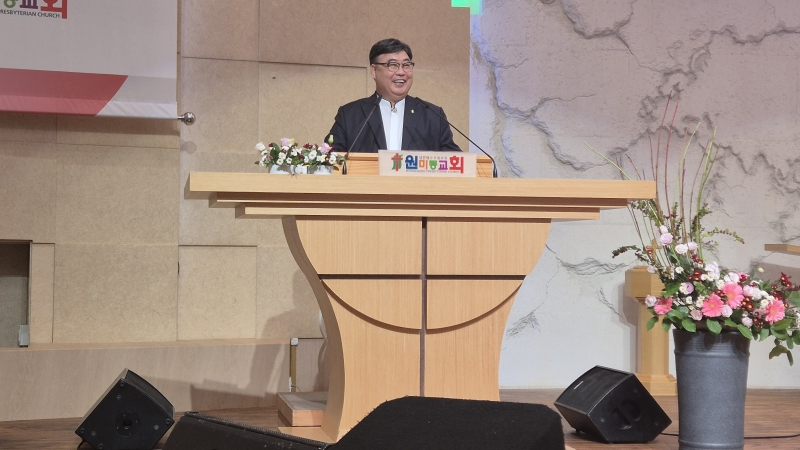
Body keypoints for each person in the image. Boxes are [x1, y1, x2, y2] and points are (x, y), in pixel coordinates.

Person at [326, 38, 461, 153]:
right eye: (393, 65)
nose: (401, 72)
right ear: (374, 71)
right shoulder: (350, 115)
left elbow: (457, 163)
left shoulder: (433, 116)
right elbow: (328, 160)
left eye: (406, 65)